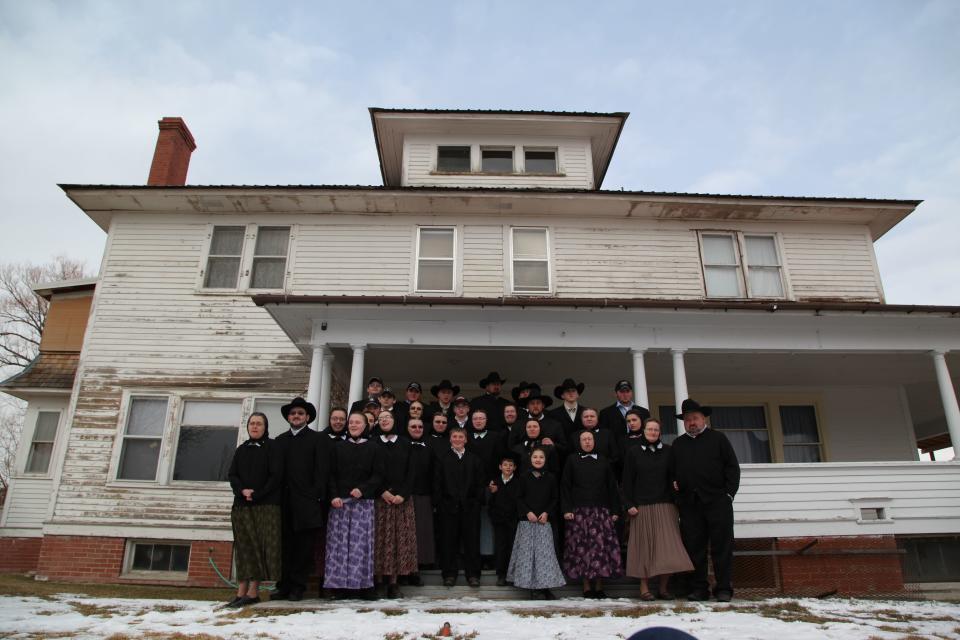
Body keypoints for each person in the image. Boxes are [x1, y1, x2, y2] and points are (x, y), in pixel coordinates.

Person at [670, 399, 741, 603]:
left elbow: (732, 468)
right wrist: (677, 494)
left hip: (718, 502)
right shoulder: (678, 444)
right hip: (690, 504)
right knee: (694, 548)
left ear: (703, 419)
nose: (691, 422)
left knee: (722, 547)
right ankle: (699, 588)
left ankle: (724, 588)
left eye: (695, 418)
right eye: (687, 419)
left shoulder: (718, 439)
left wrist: (729, 494)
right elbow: (672, 473)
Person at [623, 417, 693, 601]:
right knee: (644, 548)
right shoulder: (634, 452)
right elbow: (627, 481)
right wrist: (629, 504)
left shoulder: (668, 452)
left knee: (666, 549)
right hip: (642, 506)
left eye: (656, 430)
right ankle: (644, 588)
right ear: (643, 431)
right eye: (649, 429)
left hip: (665, 504)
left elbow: (674, 476)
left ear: (659, 432)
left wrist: (677, 496)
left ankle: (663, 588)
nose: (653, 433)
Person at [273, 397, 328, 602]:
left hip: (306, 504)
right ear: (288, 417)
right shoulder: (280, 441)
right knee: (284, 547)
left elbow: (322, 472)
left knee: (303, 548)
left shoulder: (317, 439)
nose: (296, 416)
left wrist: (315, 495)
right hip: (284, 503)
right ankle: (283, 586)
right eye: (293, 413)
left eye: (300, 413)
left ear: (307, 417)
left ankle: (298, 587)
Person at [226, 412, 283, 607]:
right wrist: (242, 491)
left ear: (265, 427)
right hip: (242, 506)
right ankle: (240, 590)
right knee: (243, 547)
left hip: (265, 506)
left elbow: (276, 476)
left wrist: (257, 493)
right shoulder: (242, 449)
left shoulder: (273, 447)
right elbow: (232, 474)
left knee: (259, 547)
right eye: (252, 423)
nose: (255, 427)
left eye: (259, 424)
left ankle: (253, 592)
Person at [324, 411, 382, 599]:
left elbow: (378, 475)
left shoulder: (373, 448)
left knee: (361, 546)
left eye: (358, 422)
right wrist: (333, 496)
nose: (353, 425)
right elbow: (330, 474)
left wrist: (363, 490)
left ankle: (364, 586)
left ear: (366, 426)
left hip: (363, 504)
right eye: (351, 422)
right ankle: (339, 587)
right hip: (340, 504)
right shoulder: (338, 447)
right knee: (339, 546)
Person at [561, 431, 622, 599]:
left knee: (600, 549)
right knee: (582, 549)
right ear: (579, 442)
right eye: (584, 439)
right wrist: (566, 509)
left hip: (601, 510)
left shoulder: (603, 460)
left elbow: (612, 487)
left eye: (590, 439)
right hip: (579, 511)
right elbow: (565, 485)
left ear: (594, 441)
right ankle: (586, 586)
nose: (587, 442)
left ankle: (600, 586)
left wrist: (615, 510)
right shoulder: (572, 460)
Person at [507, 447, 566, 600]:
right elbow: (518, 498)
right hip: (527, 522)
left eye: (541, 457)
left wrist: (547, 512)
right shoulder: (524, 477)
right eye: (535, 457)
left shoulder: (551, 478)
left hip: (544, 522)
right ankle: (533, 588)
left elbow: (554, 498)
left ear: (545, 460)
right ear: (530, 459)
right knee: (529, 556)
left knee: (544, 556)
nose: (538, 460)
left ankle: (545, 587)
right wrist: (528, 512)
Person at [372, 411, 417, 598]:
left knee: (398, 541)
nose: (384, 421)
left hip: (401, 501)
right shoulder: (372, 443)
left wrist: (402, 494)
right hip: (380, 499)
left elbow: (412, 471)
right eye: (381, 418)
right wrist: (382, 490)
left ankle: (394, 583)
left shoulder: (406, 443)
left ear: (395, 421)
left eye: (388, 418)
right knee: (380, 540)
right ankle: (378, 581)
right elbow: (369, 470)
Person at [433, 427, 485, 587]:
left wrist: (476, 503)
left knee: (472, 542)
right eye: (454, 436)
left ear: (466, 439)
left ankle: (473, 575)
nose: (457, 439)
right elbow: (437, 484)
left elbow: (480, 484)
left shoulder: (474, 459)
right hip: (448, 508)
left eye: (460, 436)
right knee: (448, 542)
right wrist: (440, 504)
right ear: (450, 439)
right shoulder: (442, 458)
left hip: (470, 508)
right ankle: (449, 574)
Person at [405, 417, 435, 583]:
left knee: (421, 535)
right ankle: (404, 571)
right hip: (404, 496)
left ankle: (416, 570)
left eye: (419, 426)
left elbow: (434, 473)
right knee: (405, 536)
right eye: (413, 426)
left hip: (423, 495)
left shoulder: (428, 449)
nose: (417, 429)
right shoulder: (402, 446)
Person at [487, 452, 521, 586]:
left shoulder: (518, 482)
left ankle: (512, 574)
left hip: (513, 520)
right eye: (505, 465)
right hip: (499, 520)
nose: (508, 467)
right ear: (500, 467)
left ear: (515, 468)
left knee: (513, 546)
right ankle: (501, 574)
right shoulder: (494, 482)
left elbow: (518, 501)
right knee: (500, 547)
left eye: (510, 465)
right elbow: (489, 502)